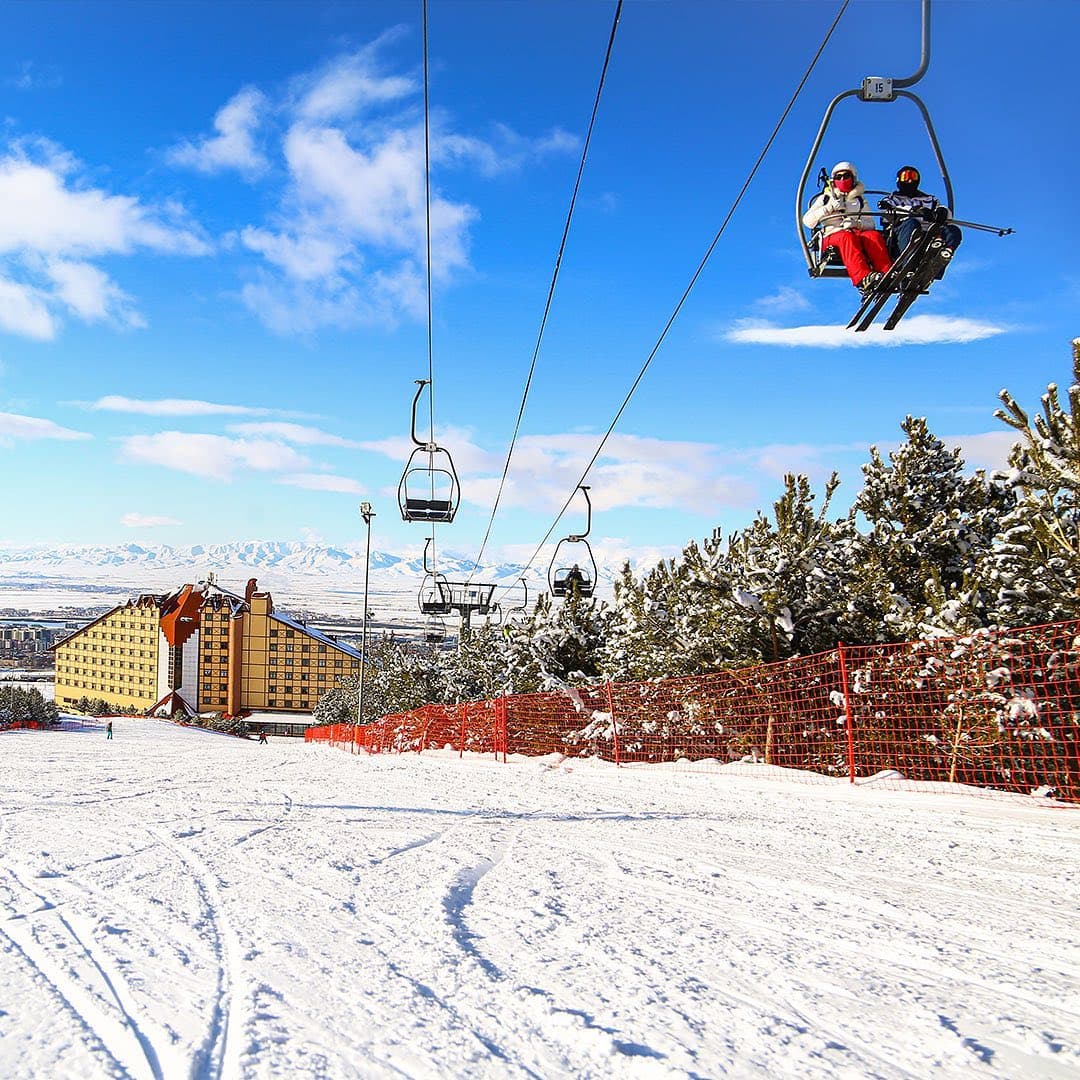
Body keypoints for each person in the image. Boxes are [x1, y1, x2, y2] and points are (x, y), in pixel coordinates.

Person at [802, 161, 893, 296]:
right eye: (839, 177)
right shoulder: (826, 198)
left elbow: (870, 224)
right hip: (832, 237)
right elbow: (808, 221)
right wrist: (829, 208)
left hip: (855, 234)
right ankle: (863, 278)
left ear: (853, 178)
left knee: (873, 236)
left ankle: (886, 272)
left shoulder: (859, 200)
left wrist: (857, 224)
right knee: (846, 237)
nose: (843, 180)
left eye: (846, 176)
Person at [878, 165, 962, 277]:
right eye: (905, 177)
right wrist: (914, 211)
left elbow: (943, 211)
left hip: (929, 232)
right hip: (903, 234)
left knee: (953, 230)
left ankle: (942, 254)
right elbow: (885, 215)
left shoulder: (929, 199)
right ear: (899, 180)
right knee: (912, 224)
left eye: (913, 176)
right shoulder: (891, 200)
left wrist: (943, 212)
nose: (909, 180)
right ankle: (908, 263)